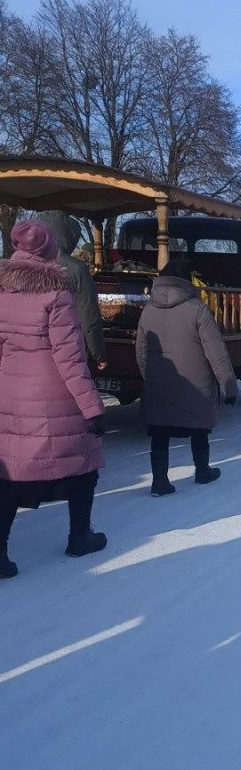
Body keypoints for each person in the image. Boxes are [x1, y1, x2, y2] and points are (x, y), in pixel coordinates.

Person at [0, 220, 107, 578]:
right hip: (55, 392)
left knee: (11, 471)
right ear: (49, 250)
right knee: (83, 465)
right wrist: (93, 407)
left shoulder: (1, 290)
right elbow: (69, 358)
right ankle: (80, 537)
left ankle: (0, 554)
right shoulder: (56, 294)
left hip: (10, 391)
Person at [135, 256, 238, 495]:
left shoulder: (148, 310)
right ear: (186, 280)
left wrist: (149, 377)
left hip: (159, 383)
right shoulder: (198, 309)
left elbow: (140, 350)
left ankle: (159, 481)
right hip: (195, 383)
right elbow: (216, 352)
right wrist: (228, 386)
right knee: (199, 427)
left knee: (159, 432)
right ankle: (202, 471)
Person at [38, 210, 107, 368]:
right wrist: (98, 354)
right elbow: (88, 315)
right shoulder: (77, 269)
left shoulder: (21, 269)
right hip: (68, 349)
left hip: (28, 352)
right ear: (69, 235)